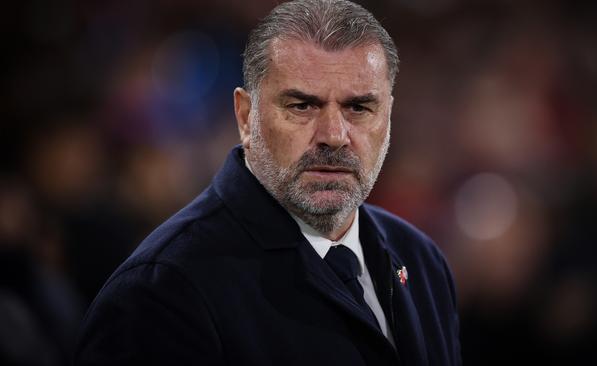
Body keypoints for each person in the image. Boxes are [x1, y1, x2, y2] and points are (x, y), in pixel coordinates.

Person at [74, 0, 461, 365]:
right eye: (302, 105)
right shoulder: (161, 294)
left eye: (358, 107)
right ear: (245, 117)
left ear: (388, 117)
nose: (334, 134)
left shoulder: (422, 262)